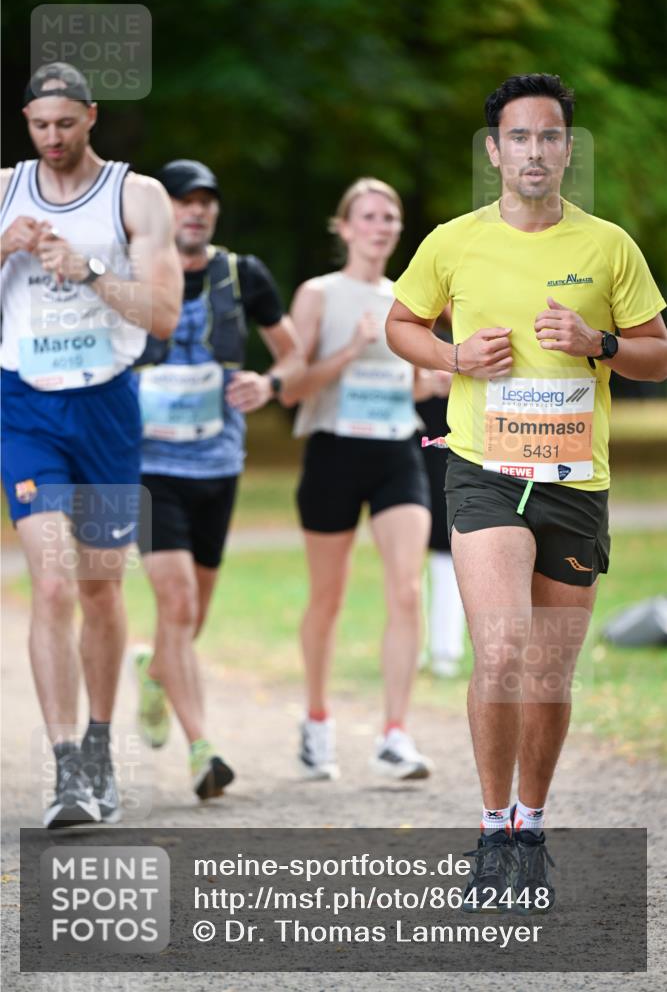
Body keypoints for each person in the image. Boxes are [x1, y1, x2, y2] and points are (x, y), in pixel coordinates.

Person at [386, 73, 667, 910]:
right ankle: (489, 831)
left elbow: (657, 350)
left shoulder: (608, 246)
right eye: (519, 137)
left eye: (549, 137)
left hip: (574, 480)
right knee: (502, 649)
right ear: (494, 150)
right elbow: (399, 324)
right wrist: (452, 358)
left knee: (545, 671)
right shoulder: (452, 241)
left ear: (567, 150)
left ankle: (529, 826)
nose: (534, 151)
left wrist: (599, 341)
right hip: (483, 469)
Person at [0, 63, 182, 828]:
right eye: (39, 126)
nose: (51, 139)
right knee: (53, 583)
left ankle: (103, 742)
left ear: (91, 117)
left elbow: (165, 314)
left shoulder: (136, 197)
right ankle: (67, 766)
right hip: (24, 405)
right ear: (27, 120)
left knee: (104, 586)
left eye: (65, 125)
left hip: (107, 405)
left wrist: (91, 267)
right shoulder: (4, 189)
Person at [131, 159, 303, 800]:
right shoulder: (132, 271)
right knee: (176, 603)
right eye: (183, 201)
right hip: (147, 470)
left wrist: (270, 382)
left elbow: (293, 353)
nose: (196, 211)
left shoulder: (242, 274)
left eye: (206, 201)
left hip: (218, 467)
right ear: (162, 212)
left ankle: (155, 674)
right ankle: (203, 751)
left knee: (191, 614)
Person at [282, 177, 434, 782]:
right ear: (345, 228)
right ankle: (317, 721)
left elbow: (414, 385)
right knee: (329, 596)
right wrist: (349, 350)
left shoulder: (407, 297)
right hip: (333, 453)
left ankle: (394, 734)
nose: (381, 225)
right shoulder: (319, 294)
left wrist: (432, 380)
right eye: (368, 216)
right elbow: (292, 387)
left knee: (407, 589)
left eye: (390, 216)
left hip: (397, 452)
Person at [415, 320, 466, 678]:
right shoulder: (406, 339)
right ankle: (413, 644)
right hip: (411, 464)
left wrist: (458, 383)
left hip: (455, 464)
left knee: (449, 557)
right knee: (407, 564)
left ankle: (446, 648)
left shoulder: (471, 334)